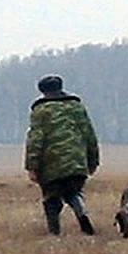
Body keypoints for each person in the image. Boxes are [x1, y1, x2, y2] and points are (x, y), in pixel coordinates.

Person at [24, 74, 100, 235]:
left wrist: (32, 166)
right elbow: (89, 134)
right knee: (73, 192)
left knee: (51, 198)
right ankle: (82, 213)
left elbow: (35, 139)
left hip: (50, 164)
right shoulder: (77, 107)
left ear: (43, 91)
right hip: (77, 161)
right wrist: (93, 160)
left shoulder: (40, 111)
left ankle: (54, 232)